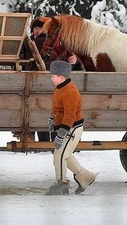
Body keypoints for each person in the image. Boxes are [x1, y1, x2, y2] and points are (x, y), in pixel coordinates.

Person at [46, 60, 97, 195]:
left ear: (61, 77)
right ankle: (85, 177)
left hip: (72, 128)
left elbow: (70, 115)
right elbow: (59, 108)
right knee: (65, 155)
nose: (51, 78)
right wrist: (53, 119)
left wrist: (61, 134)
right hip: (66, 127)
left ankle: (61, 183)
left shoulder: (70, 92)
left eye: (53, 76)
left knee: (60, 155)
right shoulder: (60, 88)